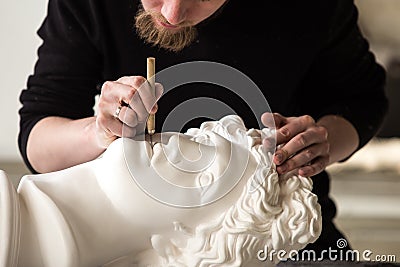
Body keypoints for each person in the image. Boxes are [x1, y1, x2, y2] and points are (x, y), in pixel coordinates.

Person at [18, 0, 388, 262]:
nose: (172, 13)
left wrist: (324, 140)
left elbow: (362, 100)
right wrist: (97, 134)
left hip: (285, 242)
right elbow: (37, 136)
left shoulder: (313, 7)